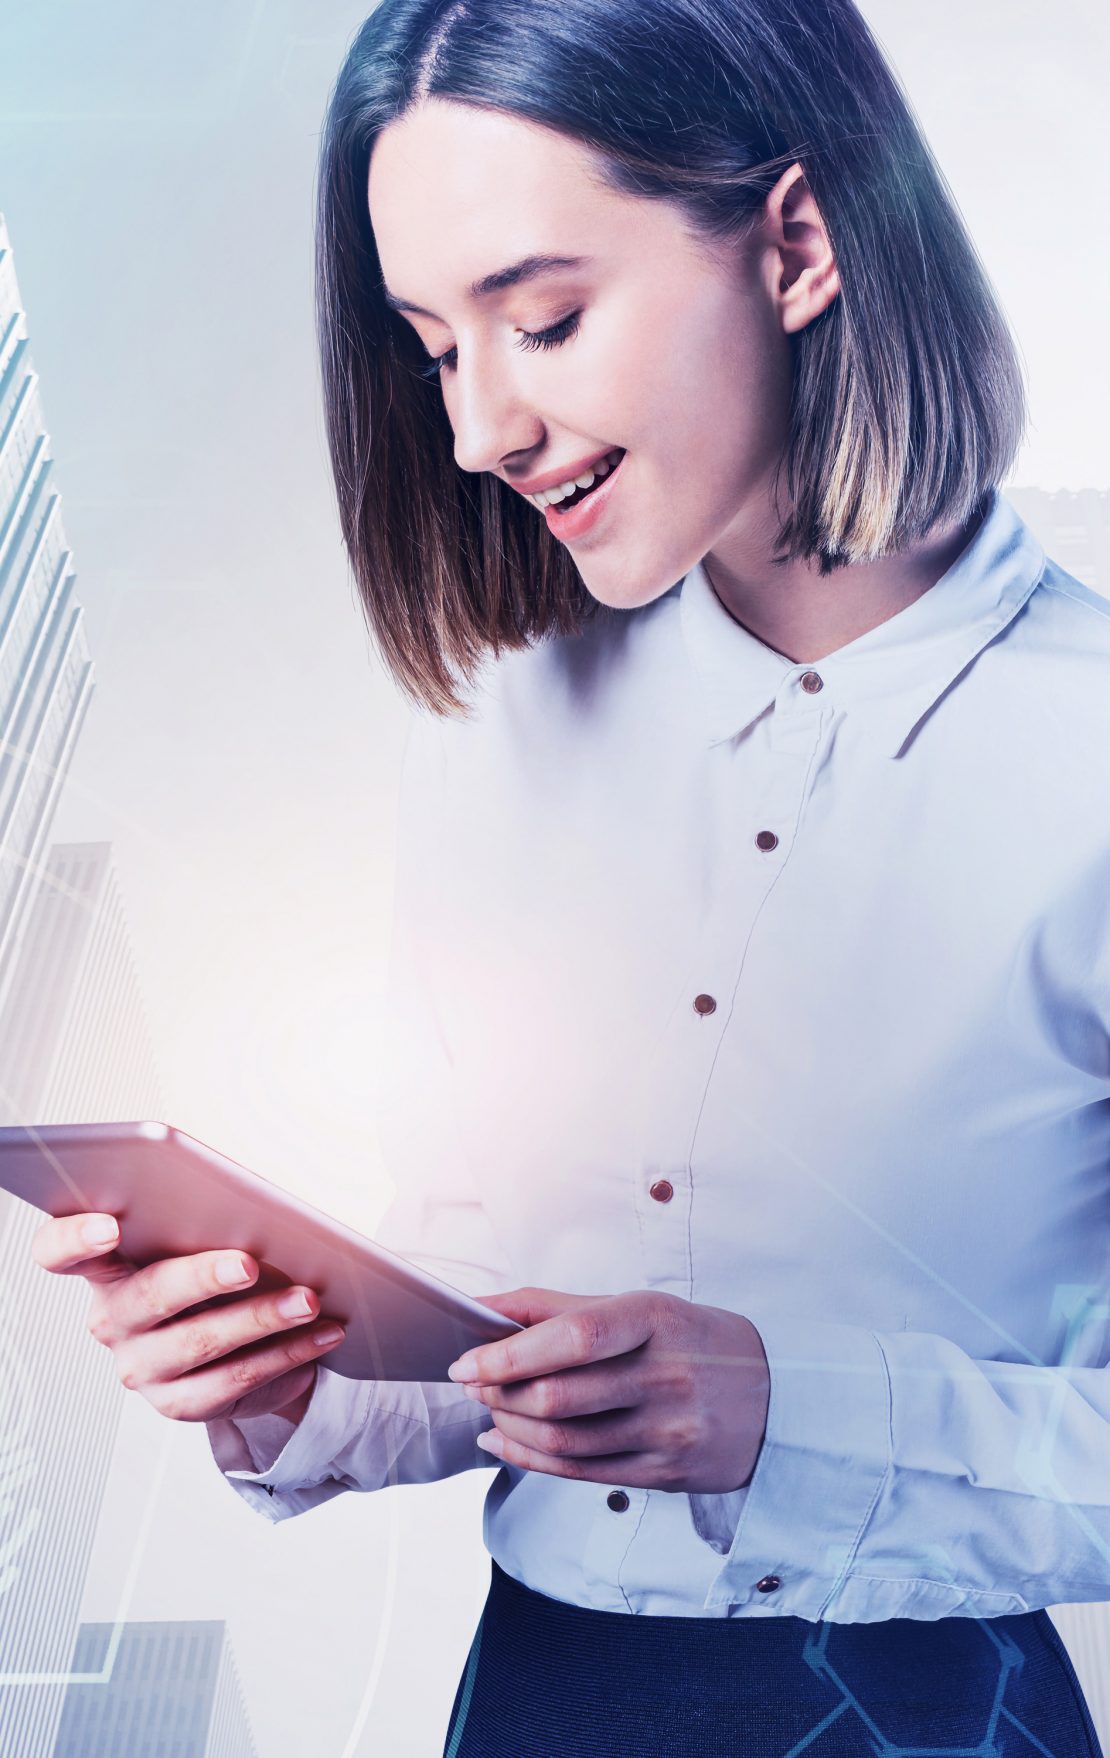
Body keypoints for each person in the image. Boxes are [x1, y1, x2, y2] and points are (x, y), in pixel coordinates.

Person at [33, 0, 1110, 1752]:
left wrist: (792, 1414)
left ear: (798, 242)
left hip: (929, 1700)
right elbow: (489, 1289)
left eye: (541, 320)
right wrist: (291, 1375)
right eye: (433, 348)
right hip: (539, 1684)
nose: (477, 429)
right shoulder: (510, 721)